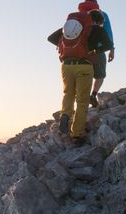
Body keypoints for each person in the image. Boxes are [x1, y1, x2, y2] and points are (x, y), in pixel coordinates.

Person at [47, 9, 113, 144]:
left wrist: (64, 45)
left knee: (68, 93)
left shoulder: (75, 27)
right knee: (82, 101)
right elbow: (108, 45)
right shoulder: (96, 29)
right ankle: (77, 134)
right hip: (84, 65)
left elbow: (51, 38)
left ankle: (65, 114)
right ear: (99, 21)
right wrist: (94, 49)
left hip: (66, 65)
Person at [76, 0, 115, 107]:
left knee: (84, 75)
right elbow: (108, 32)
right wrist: (112, 49)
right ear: (96, 4)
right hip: (98, 50)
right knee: (100, 75)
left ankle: (81, 99)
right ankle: (93, 95)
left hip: (81, 50)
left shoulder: (79, 16)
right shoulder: (102, 14)